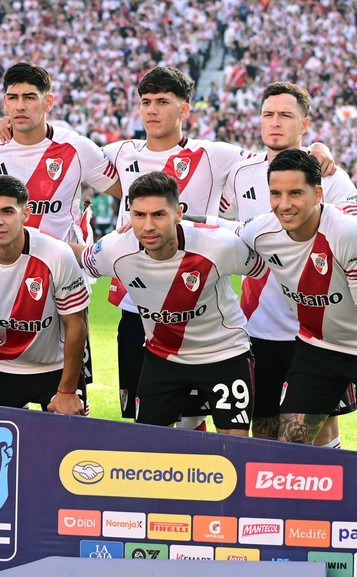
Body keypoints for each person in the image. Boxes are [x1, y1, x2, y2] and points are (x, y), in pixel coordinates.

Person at [102, 68, 333, 428]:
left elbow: (276, 154)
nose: (152, 110)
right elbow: (65, 156)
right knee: (147, 426)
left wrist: (317, 148)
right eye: (146, 102)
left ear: (184, 109)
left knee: (196, 416)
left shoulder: (216, 155)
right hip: (140, 306)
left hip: (199, 303)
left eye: (163, 102)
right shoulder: (118, 152)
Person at [219, 82, 357, 448]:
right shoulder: (241, 172)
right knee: (266, 430)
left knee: (321, 431)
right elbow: (219, 222)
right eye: (268, 114)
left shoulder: (328, 175)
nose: (275, 122)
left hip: (320, 329)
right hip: (261, 327)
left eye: (285, 115)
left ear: (305, 123)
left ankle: (327, 487)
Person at [239, 151, 357, 454]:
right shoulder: (261, 231)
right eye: (276, 193)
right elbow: (224, 229)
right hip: (318, 347)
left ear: (318, 194)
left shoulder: (348, 233)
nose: (284, 204)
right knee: (291, 442)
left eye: (295, 193)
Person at [81, 172, 265, 432]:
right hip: (162, 357)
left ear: (178, 214)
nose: (148, 226)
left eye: (158, 214)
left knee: (233, 443)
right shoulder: (115, 249)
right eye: (139, 215)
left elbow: (261, 266)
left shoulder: (219, 245)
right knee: (149, 445)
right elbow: (80, 257)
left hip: (223, 354)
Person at [0, 175, 89, 415]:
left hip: (57, 367)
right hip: (1, 366)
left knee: (71, 437)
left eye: (7, 211)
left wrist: (67, 391)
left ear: (26, 214)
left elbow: (76, 323)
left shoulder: (57, 254)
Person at [0, 63, 122, 249]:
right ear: (5, 103)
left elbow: (128, 194)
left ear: (48, 102)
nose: (20, 106)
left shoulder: (77, 148)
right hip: (8, 264)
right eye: (13, 98)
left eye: (29, 97)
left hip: (63, 264)